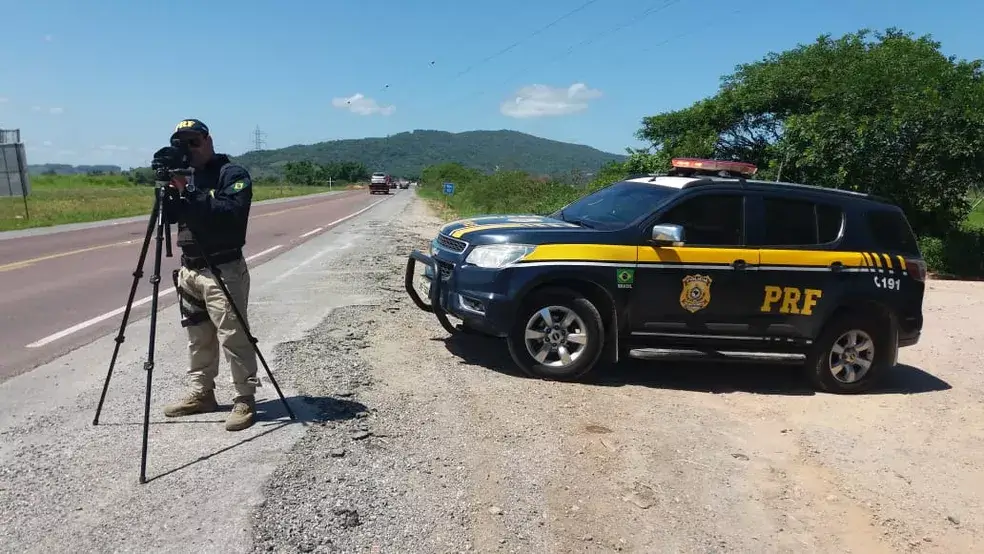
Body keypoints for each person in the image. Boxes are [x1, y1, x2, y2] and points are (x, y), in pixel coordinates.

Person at [158, 118, 260, 431]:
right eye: (182, 143)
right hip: (190, 270)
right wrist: (168, 189)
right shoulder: (184, 176)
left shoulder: (231, 174)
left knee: (234, 336)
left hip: (222, 268)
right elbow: (171, 217)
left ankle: (245, 397)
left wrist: (190, 191)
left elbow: (230, 215)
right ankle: (202, 393)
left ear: (208, 140)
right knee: (197, 337)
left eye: (194, 141)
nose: (189, 149)